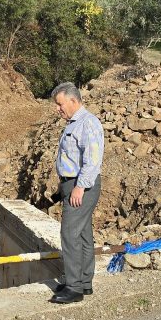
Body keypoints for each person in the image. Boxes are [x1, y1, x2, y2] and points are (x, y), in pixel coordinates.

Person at [49, 82, 104, 304]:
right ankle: (83, 281)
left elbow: (92, 160)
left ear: (73, 100)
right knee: (82, 234)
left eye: (60, 104)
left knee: (69, 233)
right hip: (72, 185)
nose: (58, 109)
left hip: (81, 186)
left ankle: (74, 288)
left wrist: (80, 187)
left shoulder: (88, 124)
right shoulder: (75, 123)